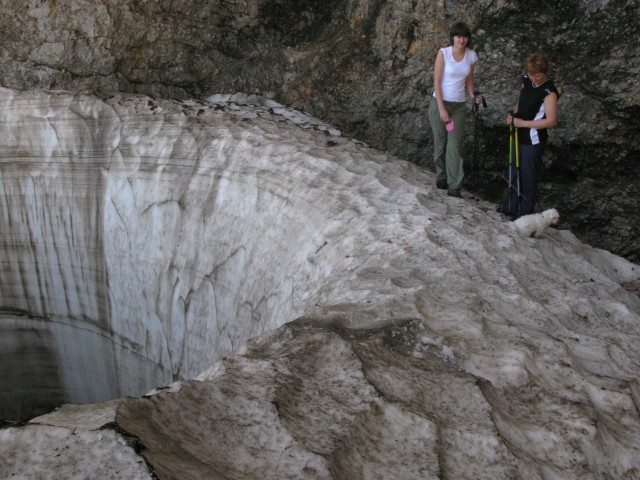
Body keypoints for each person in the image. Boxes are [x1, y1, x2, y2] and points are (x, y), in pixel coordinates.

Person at [428, 22, 483, 198]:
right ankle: (442, 176)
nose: (462, 40)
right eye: (458, 36)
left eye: (465, 36)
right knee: (440, 143)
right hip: (439, 103)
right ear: (453, 37)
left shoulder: (471, 56)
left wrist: (474, 95)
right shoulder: (443, 54)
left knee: (455, 145)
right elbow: (436, 82)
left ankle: (455, 185)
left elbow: (469, 80)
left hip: (458, 106)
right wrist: (442, 109)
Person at [502, 51, 559, 219]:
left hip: (533, 139)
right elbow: (522, 102)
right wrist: (514, 116)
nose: (535, 79)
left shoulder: (549, 92)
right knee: (513, 170)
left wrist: (524, 123)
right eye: (532, 75)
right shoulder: (526, 81)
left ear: (545, 72)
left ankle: (524, 212)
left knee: (528, 175)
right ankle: (510, 207)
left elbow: (551, 121)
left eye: (538, 76)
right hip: (518, 133)